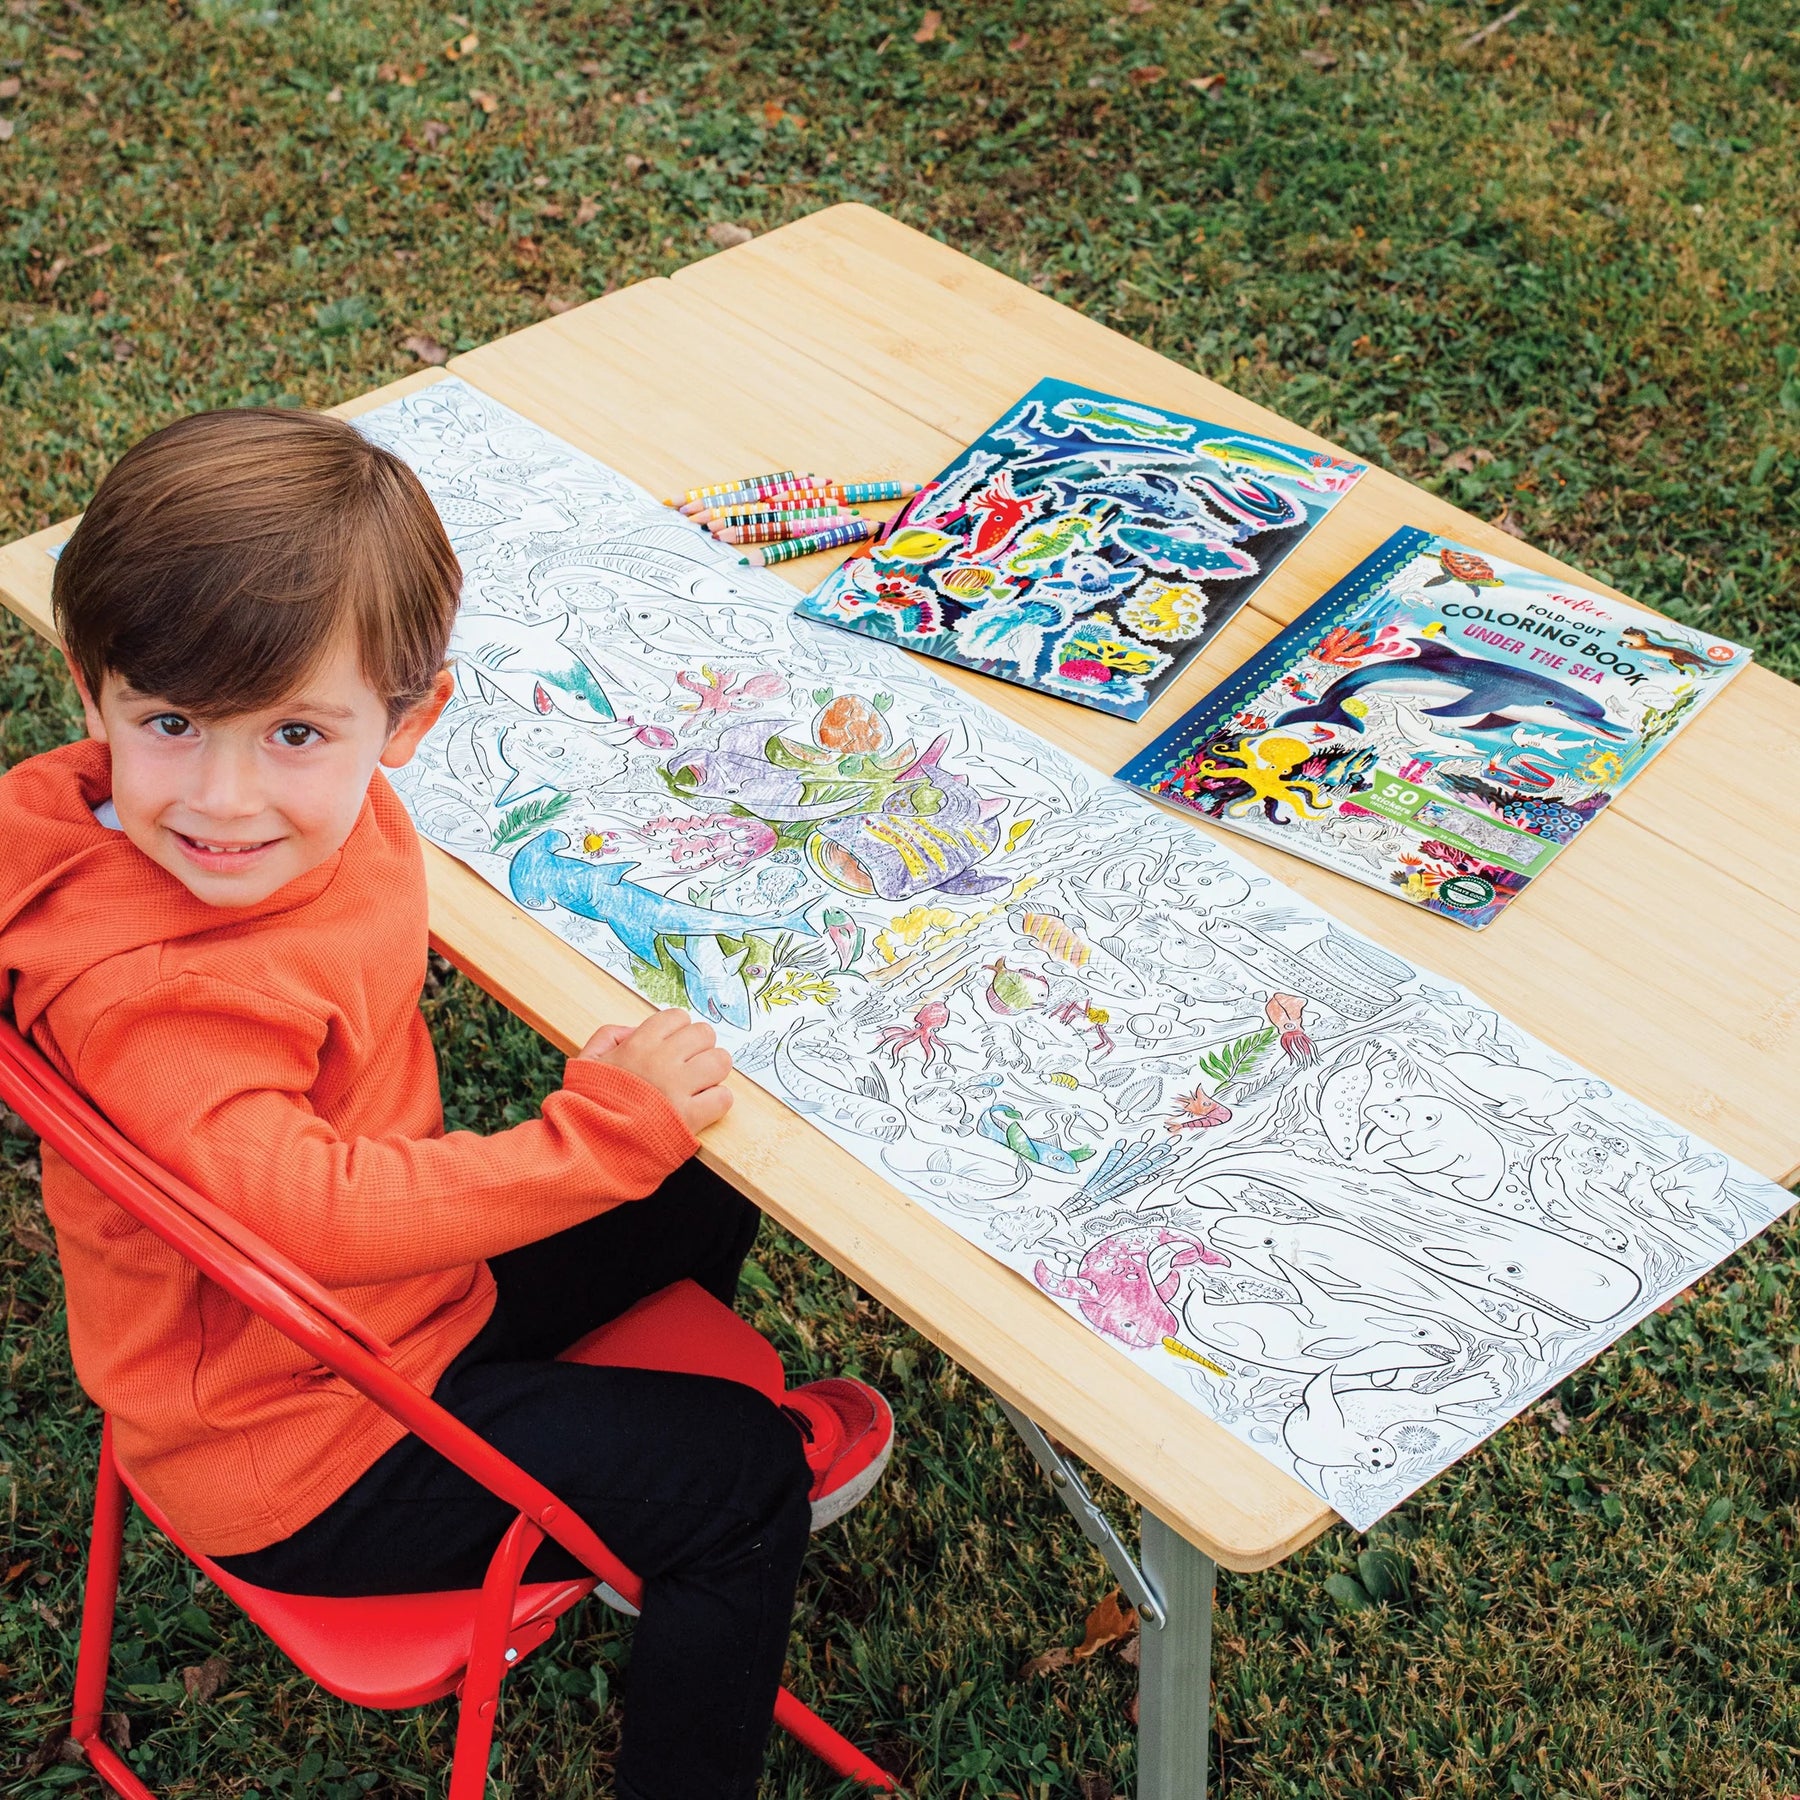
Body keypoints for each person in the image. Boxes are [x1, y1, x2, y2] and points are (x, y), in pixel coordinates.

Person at [0, 407, 893, 1800]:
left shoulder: (167, 822)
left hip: (373, 1322)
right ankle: (661, 1554)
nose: (226, 800)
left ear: (410, 722)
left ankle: (595, 1442)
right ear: (92, 693)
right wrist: (599, 1131)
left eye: (295, 732)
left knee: (698, 1173)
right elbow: (320, 1215)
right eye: (170, 724)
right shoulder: (160, 1004)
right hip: (301, 1452)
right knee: (736, 1480)